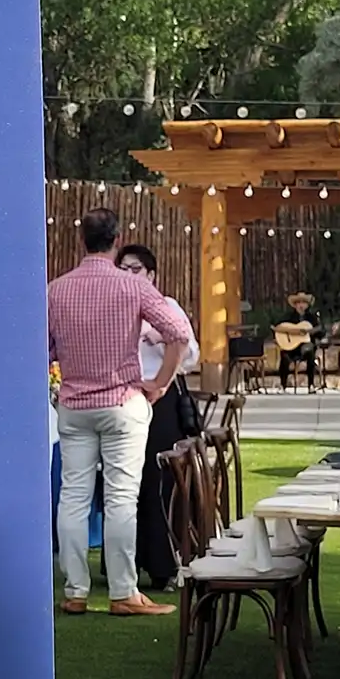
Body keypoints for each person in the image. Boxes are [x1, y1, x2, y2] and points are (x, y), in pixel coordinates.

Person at [49, 208, 192, 616]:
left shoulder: (56, 290)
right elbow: (178, 333)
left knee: (73, 498)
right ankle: (123, 591)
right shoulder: (132, 287)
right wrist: (162, 382)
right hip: (121, 402)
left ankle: (75, 590)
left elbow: (40, 347)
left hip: (75, 406)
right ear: (116, 241)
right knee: (121, 499)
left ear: (83, 241)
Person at [115, 243, 201, 591]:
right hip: (124, 398)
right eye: (122, 268)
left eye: (135, 269)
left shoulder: (167, 308)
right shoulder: (113, 307)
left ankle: (167, 563)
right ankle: (128, 561)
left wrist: (161, 339)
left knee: (161, 481)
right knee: (126, 483)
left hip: (160, 400)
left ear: (151, 275)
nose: (128, 275)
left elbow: (192, 354)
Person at [275, 292, 323, 390]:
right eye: (299, 303)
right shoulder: (288, 317)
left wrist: (318, 331)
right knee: (284, 355)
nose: (301, 305)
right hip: (291, 348)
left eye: (303, 303)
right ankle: (282, 385)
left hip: (307, 349)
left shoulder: (312, 318)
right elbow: (277, 328)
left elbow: (320, 334)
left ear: (307, 305)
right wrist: (293, 332)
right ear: (295, 305)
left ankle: (311, 385)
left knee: (310, 350)